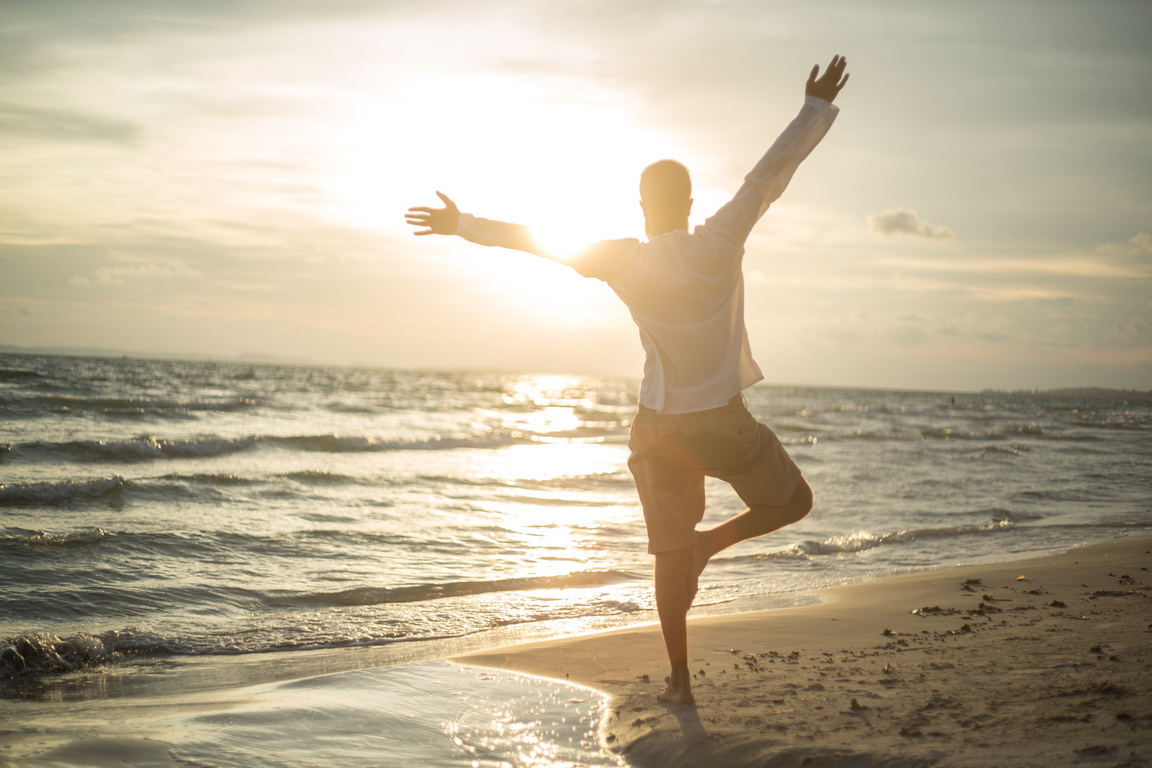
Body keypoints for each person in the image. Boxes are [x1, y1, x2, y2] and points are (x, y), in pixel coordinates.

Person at [406, 55, 849, 706]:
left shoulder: (622, 259)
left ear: (643, 207)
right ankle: (711, 548)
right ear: (690, 204)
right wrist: (814, 106)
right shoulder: (719, 241)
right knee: (793, 502)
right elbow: (767, 178)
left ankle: (680, 683)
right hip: (723, 421)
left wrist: (461, 223)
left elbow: (534, 241)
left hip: (658, 427)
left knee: (668, 555)